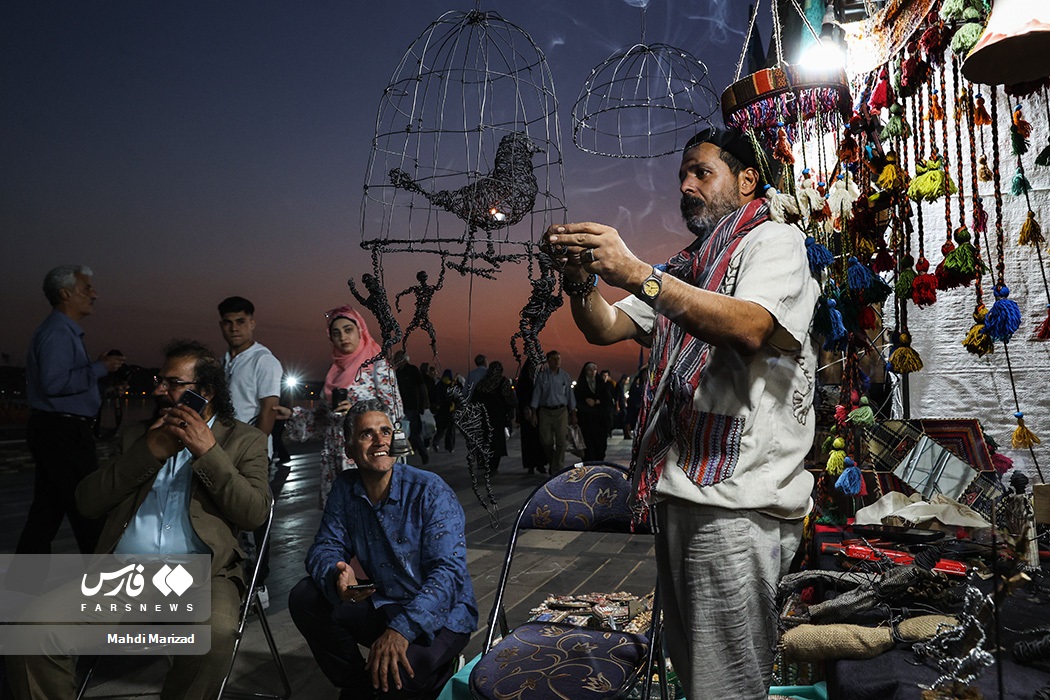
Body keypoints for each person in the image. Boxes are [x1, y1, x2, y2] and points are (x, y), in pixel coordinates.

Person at [543, 126, 819, 699]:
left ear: (747, 181)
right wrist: (579, 280)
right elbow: (605, 326)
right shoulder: (690, 267)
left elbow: (749, 325)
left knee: (726, 687)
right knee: (695, 675)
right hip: (687, 494)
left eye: (702, 172)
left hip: (738, 506)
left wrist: (638, 273)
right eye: (682, 177)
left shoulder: (774, 243)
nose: (687, 186)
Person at [6, 340, 272, 699]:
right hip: (122, 577)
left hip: (203, 577)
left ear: (206, 391)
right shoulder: (136, 436)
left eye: (173, 383)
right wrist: (150, 451)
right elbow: (87, 502)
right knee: (32, 630)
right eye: (160, 381)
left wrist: (208, 452)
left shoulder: (244, 440)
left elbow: (254, 513)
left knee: (213, 634)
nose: (159, 390)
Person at [288, 399, 477, 700]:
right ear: (349, 450)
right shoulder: (345, 488)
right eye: (366, 434)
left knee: (393, 679)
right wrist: (336, 575)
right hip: (384, 602)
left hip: (441, 615)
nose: (380, 441)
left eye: (386, 432)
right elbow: (325, 546)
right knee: (305, 596)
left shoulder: (429, 490)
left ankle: (441, 668)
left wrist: (401, 631)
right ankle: (356, 683)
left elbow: (449, 573)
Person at [16, 264, 125, 556]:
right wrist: (100, 368)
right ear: (65, 293)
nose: (95, 294)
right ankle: (110, 586)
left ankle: (23, 590)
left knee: (45, 515)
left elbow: (63, 381)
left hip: (56, 430)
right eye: (87, 288)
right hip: (62, 433)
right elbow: (54, 383)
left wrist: (98, 373)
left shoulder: (60, 332)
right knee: (89, 507)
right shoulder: (58, 333)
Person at [277, 305, 403, 509]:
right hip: (336, 454)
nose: (343, 337)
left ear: (360, 330)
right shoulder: (333, 372)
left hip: (369, 453)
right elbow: (322, 419)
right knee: (341, 518)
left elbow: (395, 410)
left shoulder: (377, 366)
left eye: (348, 330)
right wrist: (291, 414)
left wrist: (356, 411)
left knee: (369, 514)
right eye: (336, 333)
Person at [218, 295, 283, 608]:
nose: (234, 328)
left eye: (240, 322)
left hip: (251, 452)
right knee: (228, 517)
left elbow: (268, 409)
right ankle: (234, 579)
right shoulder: (224, 361)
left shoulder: (263, 360)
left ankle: (260, 585)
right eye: (228, 323)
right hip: (221, 450)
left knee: (255, 518)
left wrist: (255, 449)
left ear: (252, 322)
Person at [528, 350, 576, 474]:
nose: (557, 361)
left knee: (561, 441)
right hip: (545, 411)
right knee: (546, 441)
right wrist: (533, 413)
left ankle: (557, 469)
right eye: (554, 359)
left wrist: (573, 412)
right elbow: (537, 394)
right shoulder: (542, 376)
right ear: (548, 361)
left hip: (561, 411)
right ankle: (553, 461)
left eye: (559, 359)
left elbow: (569, 395)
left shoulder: (564, 376)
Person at [471, 360, 515, 474]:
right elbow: (510, 399)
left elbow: (473, 401)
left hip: (482, 418)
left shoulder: (482, 383)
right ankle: (493, 466)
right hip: (497, 418)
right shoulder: (502, 382)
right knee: (496, 442)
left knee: (485, 440)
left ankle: (485, 464)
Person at [391, 350, 429, 465]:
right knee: (408, 431)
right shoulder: (398, 373)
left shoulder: (412, 370)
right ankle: (417, 451)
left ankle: (422, 453)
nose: (395, 361)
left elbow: (422, 387)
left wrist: (425, 402)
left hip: (412, 406)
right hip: (402, 406)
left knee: (412, 431)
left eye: (397, 358)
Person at [573, 362, 614, 461]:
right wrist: (585, 401)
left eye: (594, 369)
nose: (593, 372)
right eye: (590, 370)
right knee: (588, 445)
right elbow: (576, 400)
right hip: (586, 419)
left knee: (600, 445)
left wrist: (596, 401)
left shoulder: (601, 384)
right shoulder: (581, 384)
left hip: (599, 419)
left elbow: (607, 400)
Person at [514, 358, 547, 475]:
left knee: (540, 439)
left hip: (540, 412)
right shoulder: (524, 380)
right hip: (527, 413)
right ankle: (530, 465)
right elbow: (521, 397)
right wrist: (527, 409)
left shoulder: (541, 378)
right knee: (528, 439)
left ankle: (540, 464)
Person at [430, 369, 456, 454]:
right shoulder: (452, 384)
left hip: (440, 409)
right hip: (450, 409)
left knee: (441, 429)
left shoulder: (439, 384)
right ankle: (450, 447)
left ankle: (436, 442)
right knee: (451, 430)